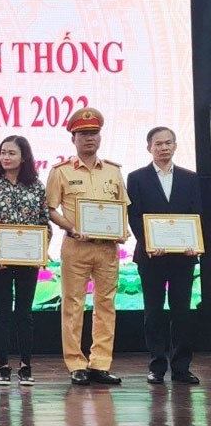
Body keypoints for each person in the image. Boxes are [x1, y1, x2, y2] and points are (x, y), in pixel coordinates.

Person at [45, 108, 129, 386]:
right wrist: (70, 226)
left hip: (107, 248)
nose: (89, 138)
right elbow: (49, 209)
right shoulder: (61, 172)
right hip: (76, 246)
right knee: (73, 304)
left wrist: (123, 230)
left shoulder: (114, 171)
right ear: (73, 139)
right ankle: (76, 363)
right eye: (83, 134)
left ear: (100, 137)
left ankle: (100, 363)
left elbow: (122, 207)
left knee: (106, 304)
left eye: (93, 133)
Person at [126, 127, 202, 385]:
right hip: (151, 257)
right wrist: (149, 242)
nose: (164, 148)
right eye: (158, 144)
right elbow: (134, 215)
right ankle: (157, 366)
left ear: (175, 146)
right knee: (154, 312)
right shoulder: (136, 178)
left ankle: (181, 367)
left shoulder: (190, 178)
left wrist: (194, 242)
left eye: (168, 143)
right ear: (149, 148)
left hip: (183, 257)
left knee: (182, 312)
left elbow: (197, 213)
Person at [0, 136, 50, 386]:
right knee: (2, 313)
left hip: (28, 261)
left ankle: (26, 365)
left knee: (25, 314)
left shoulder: (36, 186)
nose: (6, 157)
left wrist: (41, 249)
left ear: (24, 157)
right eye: (3, 153)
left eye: (12, 153)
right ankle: (3, 366)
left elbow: (44, 222)